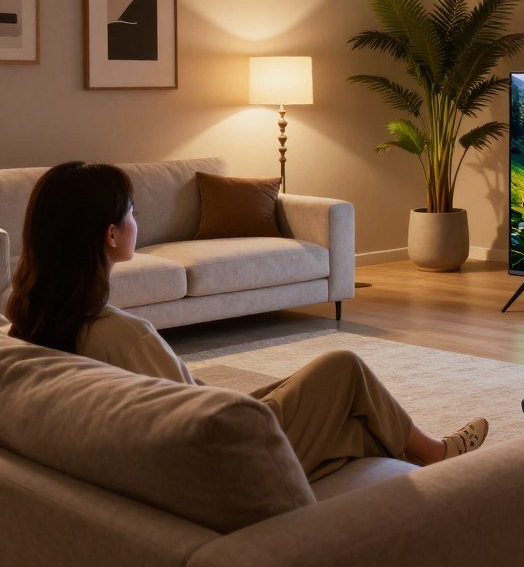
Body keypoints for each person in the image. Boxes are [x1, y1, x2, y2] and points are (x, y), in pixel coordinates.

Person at [6, 161, 487, 479]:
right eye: (132, 212)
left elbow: (184, 397)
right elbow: (196, 418)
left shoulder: (26, 321)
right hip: (226, 456)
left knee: (347, 417)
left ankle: (403, 453)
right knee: (343, 368)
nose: (138, 220)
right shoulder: (126, 337)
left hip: (197, 433)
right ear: (111, 235)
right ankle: (434, 454)